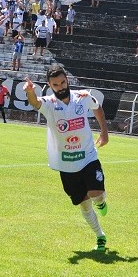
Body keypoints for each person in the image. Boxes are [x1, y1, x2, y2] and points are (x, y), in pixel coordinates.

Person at [23, 65, 111, 252]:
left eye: (63, 82)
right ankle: (100, 236)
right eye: (56, 84)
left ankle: (102, 202)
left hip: (87, 157)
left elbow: (98, 108)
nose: (61, 86)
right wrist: (30, 92)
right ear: (50, 85)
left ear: (67, 80)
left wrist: (104, 133)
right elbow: (34, 102)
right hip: (66, 164)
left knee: (96, 196)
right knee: (84, 204)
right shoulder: (49, 104)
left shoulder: (83, 97)